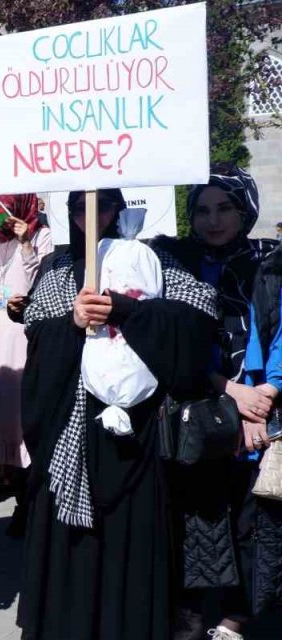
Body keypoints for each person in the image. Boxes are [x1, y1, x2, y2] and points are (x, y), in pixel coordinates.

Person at [17, 189, 218, 640]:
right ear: (69, 215)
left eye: (105, 206)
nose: (93, 216)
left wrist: (130, 310)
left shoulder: (155, 259)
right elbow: (38, 348)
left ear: (120, 210)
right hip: (75, 437)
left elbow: (196, 322)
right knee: (74, 556)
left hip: (143, 436)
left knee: (135, 551)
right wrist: (70, 322)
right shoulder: (58, 271)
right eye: (80, 208)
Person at [169, 166, 282, 639]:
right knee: (200, 515)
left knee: (254, 520)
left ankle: (237, 618)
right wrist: (231, 392)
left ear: (246, 210)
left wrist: (265, 398)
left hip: (264, 409)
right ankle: (193, 615)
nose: (212, 220)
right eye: (202, 210)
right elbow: (177, 346)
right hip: (202, 406)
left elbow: (279, 337)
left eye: (225, 208)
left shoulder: (271, 263)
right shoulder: (177, 265)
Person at [0, 194, 53, 491]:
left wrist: (26, 243)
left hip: (17, 328)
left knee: (13, 397)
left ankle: (20, 469)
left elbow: (41, 278)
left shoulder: (42, 236)